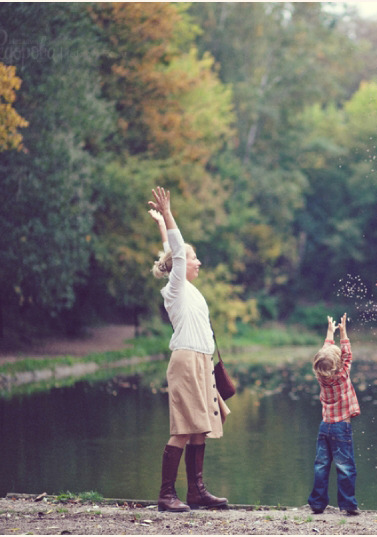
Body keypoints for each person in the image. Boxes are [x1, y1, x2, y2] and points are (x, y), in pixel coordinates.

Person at [148, 186, 230, 512]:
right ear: (182, 266)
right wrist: (168, 214)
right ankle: (166, 495)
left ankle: (196, 492)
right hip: (185, 361)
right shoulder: (176, 288)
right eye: (194, 258)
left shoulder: (189, 290)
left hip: (201, 361)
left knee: (199, 429)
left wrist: (160, 226)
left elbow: (171, 250)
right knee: (183, 429)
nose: (198, 262)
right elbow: (177, 252)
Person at [307, 313, 361, 516]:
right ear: (339, 365)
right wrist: (343, 331)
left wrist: (330, 332)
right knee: (345, 466)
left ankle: (317, 504)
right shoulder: (342, 374)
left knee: (321, 465)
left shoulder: (321, 376)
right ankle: (347, 504)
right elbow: (347, 354)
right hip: (341, 427)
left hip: (325, 427)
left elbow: (324, 355)